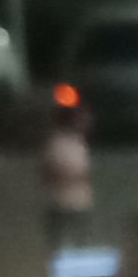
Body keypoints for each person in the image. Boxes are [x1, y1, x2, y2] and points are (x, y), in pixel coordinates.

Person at [40, 104, 94, 257]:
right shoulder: (57, 144)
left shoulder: (79, 143)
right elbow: (49, 172)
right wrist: (73, 176)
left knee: (81, 243)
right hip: (61, 203)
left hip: (80, 202)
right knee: (60, 244)